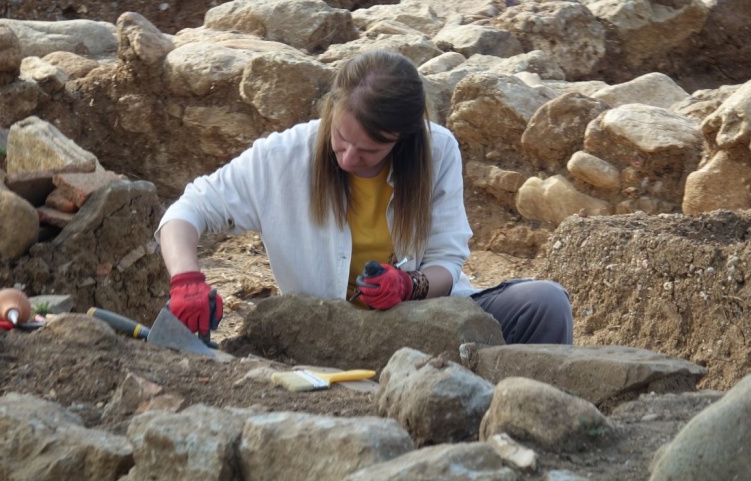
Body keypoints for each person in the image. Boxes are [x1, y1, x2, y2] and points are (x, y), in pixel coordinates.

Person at [155, 50, 573, 345]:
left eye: (371, 150)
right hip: (328, 338)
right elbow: (186, 212)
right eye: (340, 139)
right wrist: (187, 279)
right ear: (331, 110)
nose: (351, 157)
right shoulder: (282, 157)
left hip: (427, 321)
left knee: (546, 303)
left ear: (402, 140)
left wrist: (407, 287)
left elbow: (446, 264)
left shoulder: (437, 150)